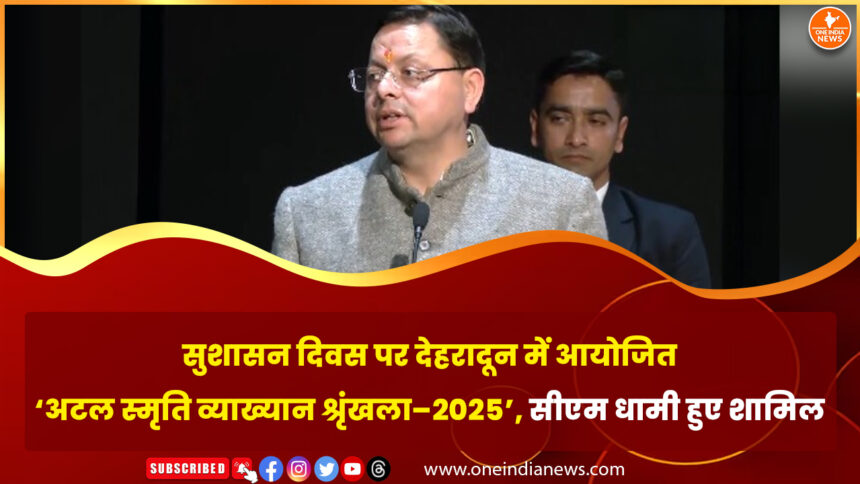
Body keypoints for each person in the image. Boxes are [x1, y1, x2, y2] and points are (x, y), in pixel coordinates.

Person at [272, 6, 606, 272]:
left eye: (410, 73)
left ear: (470, 89)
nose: (384, 89)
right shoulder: (307, 212)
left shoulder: (560, 205)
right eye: (374, 75)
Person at [530, 50, 711, 287]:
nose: (576, 138)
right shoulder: (496, 220)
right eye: (560, 119)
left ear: (620, 134)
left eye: (595, 121)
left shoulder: (669, 234)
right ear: (535, 127)